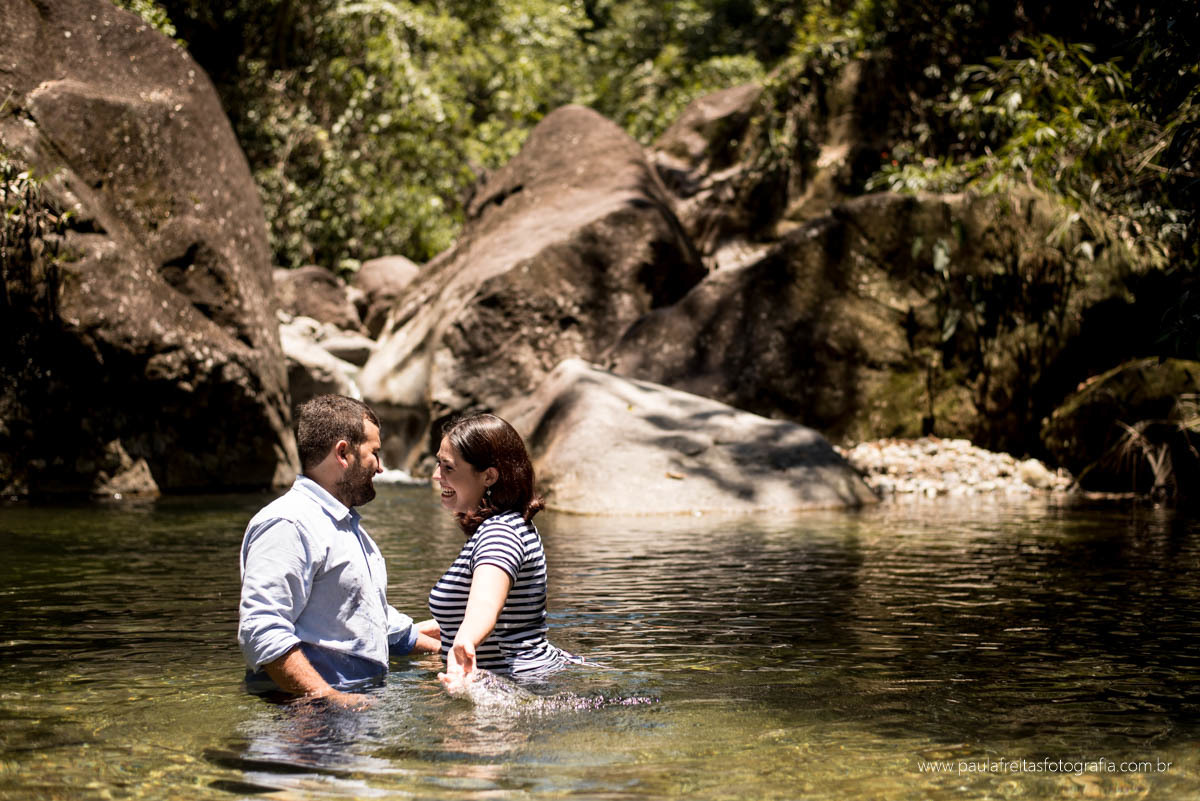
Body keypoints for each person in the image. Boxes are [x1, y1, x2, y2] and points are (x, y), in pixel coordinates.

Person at [238, 394, 440, 707]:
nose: (381, 467)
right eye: (374, 452)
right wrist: (330, 699)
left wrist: (440, 644)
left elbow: (363, 618)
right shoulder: (288, 523)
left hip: (351, 705)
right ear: (343, 453)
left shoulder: (347, 528)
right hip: (305, 717)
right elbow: (262, 631)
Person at [428, 413, 580, 689]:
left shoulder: (500, 534)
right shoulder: (509, 525)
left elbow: (485, 604)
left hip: (518, 686)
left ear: (488, 476)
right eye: (438, 463)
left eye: (448, 467)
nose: (437, 475)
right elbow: (469, 610)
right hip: (525, 680)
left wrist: (465, 641)